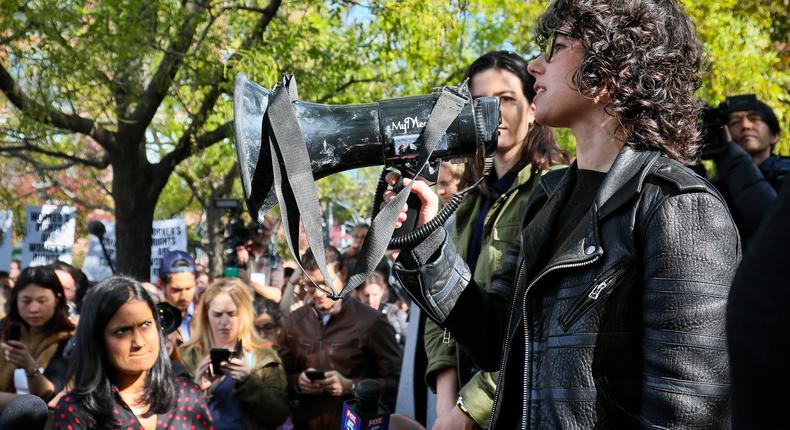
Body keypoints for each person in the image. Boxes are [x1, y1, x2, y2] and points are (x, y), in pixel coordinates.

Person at [387, 0, 740, 427]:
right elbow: (500, 339)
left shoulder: (680, 205)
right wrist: (426, 246)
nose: (535, 65)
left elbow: (687, 415)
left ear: (616, 65)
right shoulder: (548, 198)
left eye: (556, 48)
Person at [423, 50, 570, 429]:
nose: (494, 112)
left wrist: (472, 408)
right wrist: (446, 409)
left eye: (506, 99)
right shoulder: (466, 201)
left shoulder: (556, 188)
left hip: (518, 407)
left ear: (533, 107)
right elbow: (443, 311)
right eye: (481, 102)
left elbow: (536, 320)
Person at [52, 276, 212, 430]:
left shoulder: (187, 397)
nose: (139, 342)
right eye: (122, 331)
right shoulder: (76, 411)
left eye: (146, 325)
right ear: (98, 339)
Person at [279, 246, 402, 430]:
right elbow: (279, 379)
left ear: (343, 274)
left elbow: (397, 382)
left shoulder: (372, 322)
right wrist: (298, 382)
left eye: (325, 282)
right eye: (311, 285)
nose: (319, 293)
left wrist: (351, 387)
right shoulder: (293, 322)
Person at [180, 278, 290, 430]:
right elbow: (170, 414)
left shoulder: (264, 356)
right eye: (218, 315)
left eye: (232, 314)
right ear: (206, 315)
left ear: (244, 314)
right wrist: (197, 389)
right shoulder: (187, 355)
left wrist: (248, 382)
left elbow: (279, 415)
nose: (224, 322)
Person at [711, 95, 788, 246]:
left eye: (754, 119)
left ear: (774, 136)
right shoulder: (716, 187)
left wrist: (733, 160)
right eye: (735, 122)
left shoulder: (785, 173)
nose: (745, 125)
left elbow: (778, 228)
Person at [0, 266, 74, 405]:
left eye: (42, 301)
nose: (34, 309)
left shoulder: (68, 340)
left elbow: (47, 395)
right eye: (26, 301)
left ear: (57, 299)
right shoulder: (4, 329)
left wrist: (29, 366)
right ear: (16, 300)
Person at [236, 223, 285, 306]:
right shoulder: (241, 255)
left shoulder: (274, 261)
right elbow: (228, 281)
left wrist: (249, 282)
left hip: (265, 310)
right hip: (242, 307)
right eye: (259, 230)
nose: (264, 235)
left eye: (267, 231)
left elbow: (276, 295)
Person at [157, 250, 197, 343]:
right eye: (176, 290)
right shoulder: (154, 319)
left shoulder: (205, 315)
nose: (183, 296)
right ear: (161, 285)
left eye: (188, 288)